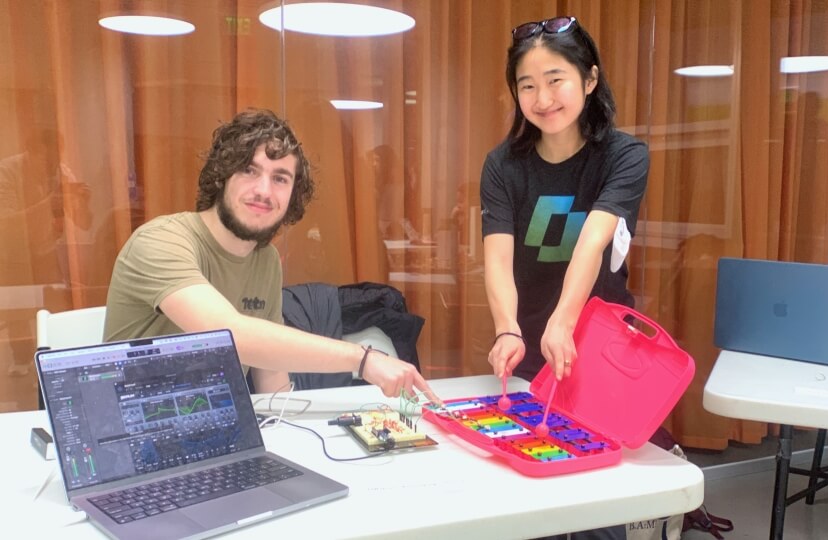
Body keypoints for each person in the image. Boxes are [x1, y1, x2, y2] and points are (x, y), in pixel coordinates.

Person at [104, 109, 438, 402]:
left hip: (218, 432)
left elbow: (271, 383)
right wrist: (362, 360)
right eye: (249, 170)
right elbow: (227, 334)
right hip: (130, 437)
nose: (264, 191)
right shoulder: (161, 241)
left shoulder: (265, 261)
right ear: (221, 177)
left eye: (280, 178)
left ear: (293, 196)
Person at [481, 17, 649, 540]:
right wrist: (507, 326)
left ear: (589, 80)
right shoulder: (503, 164)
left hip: (598, 351)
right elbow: (497, 258)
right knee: (529, 502)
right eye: (527, 85)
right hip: (528, 349)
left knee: (597, 507)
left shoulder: (624, 156)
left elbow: (592, 245)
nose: (542, 97)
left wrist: (564, 322)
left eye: (556, 79)